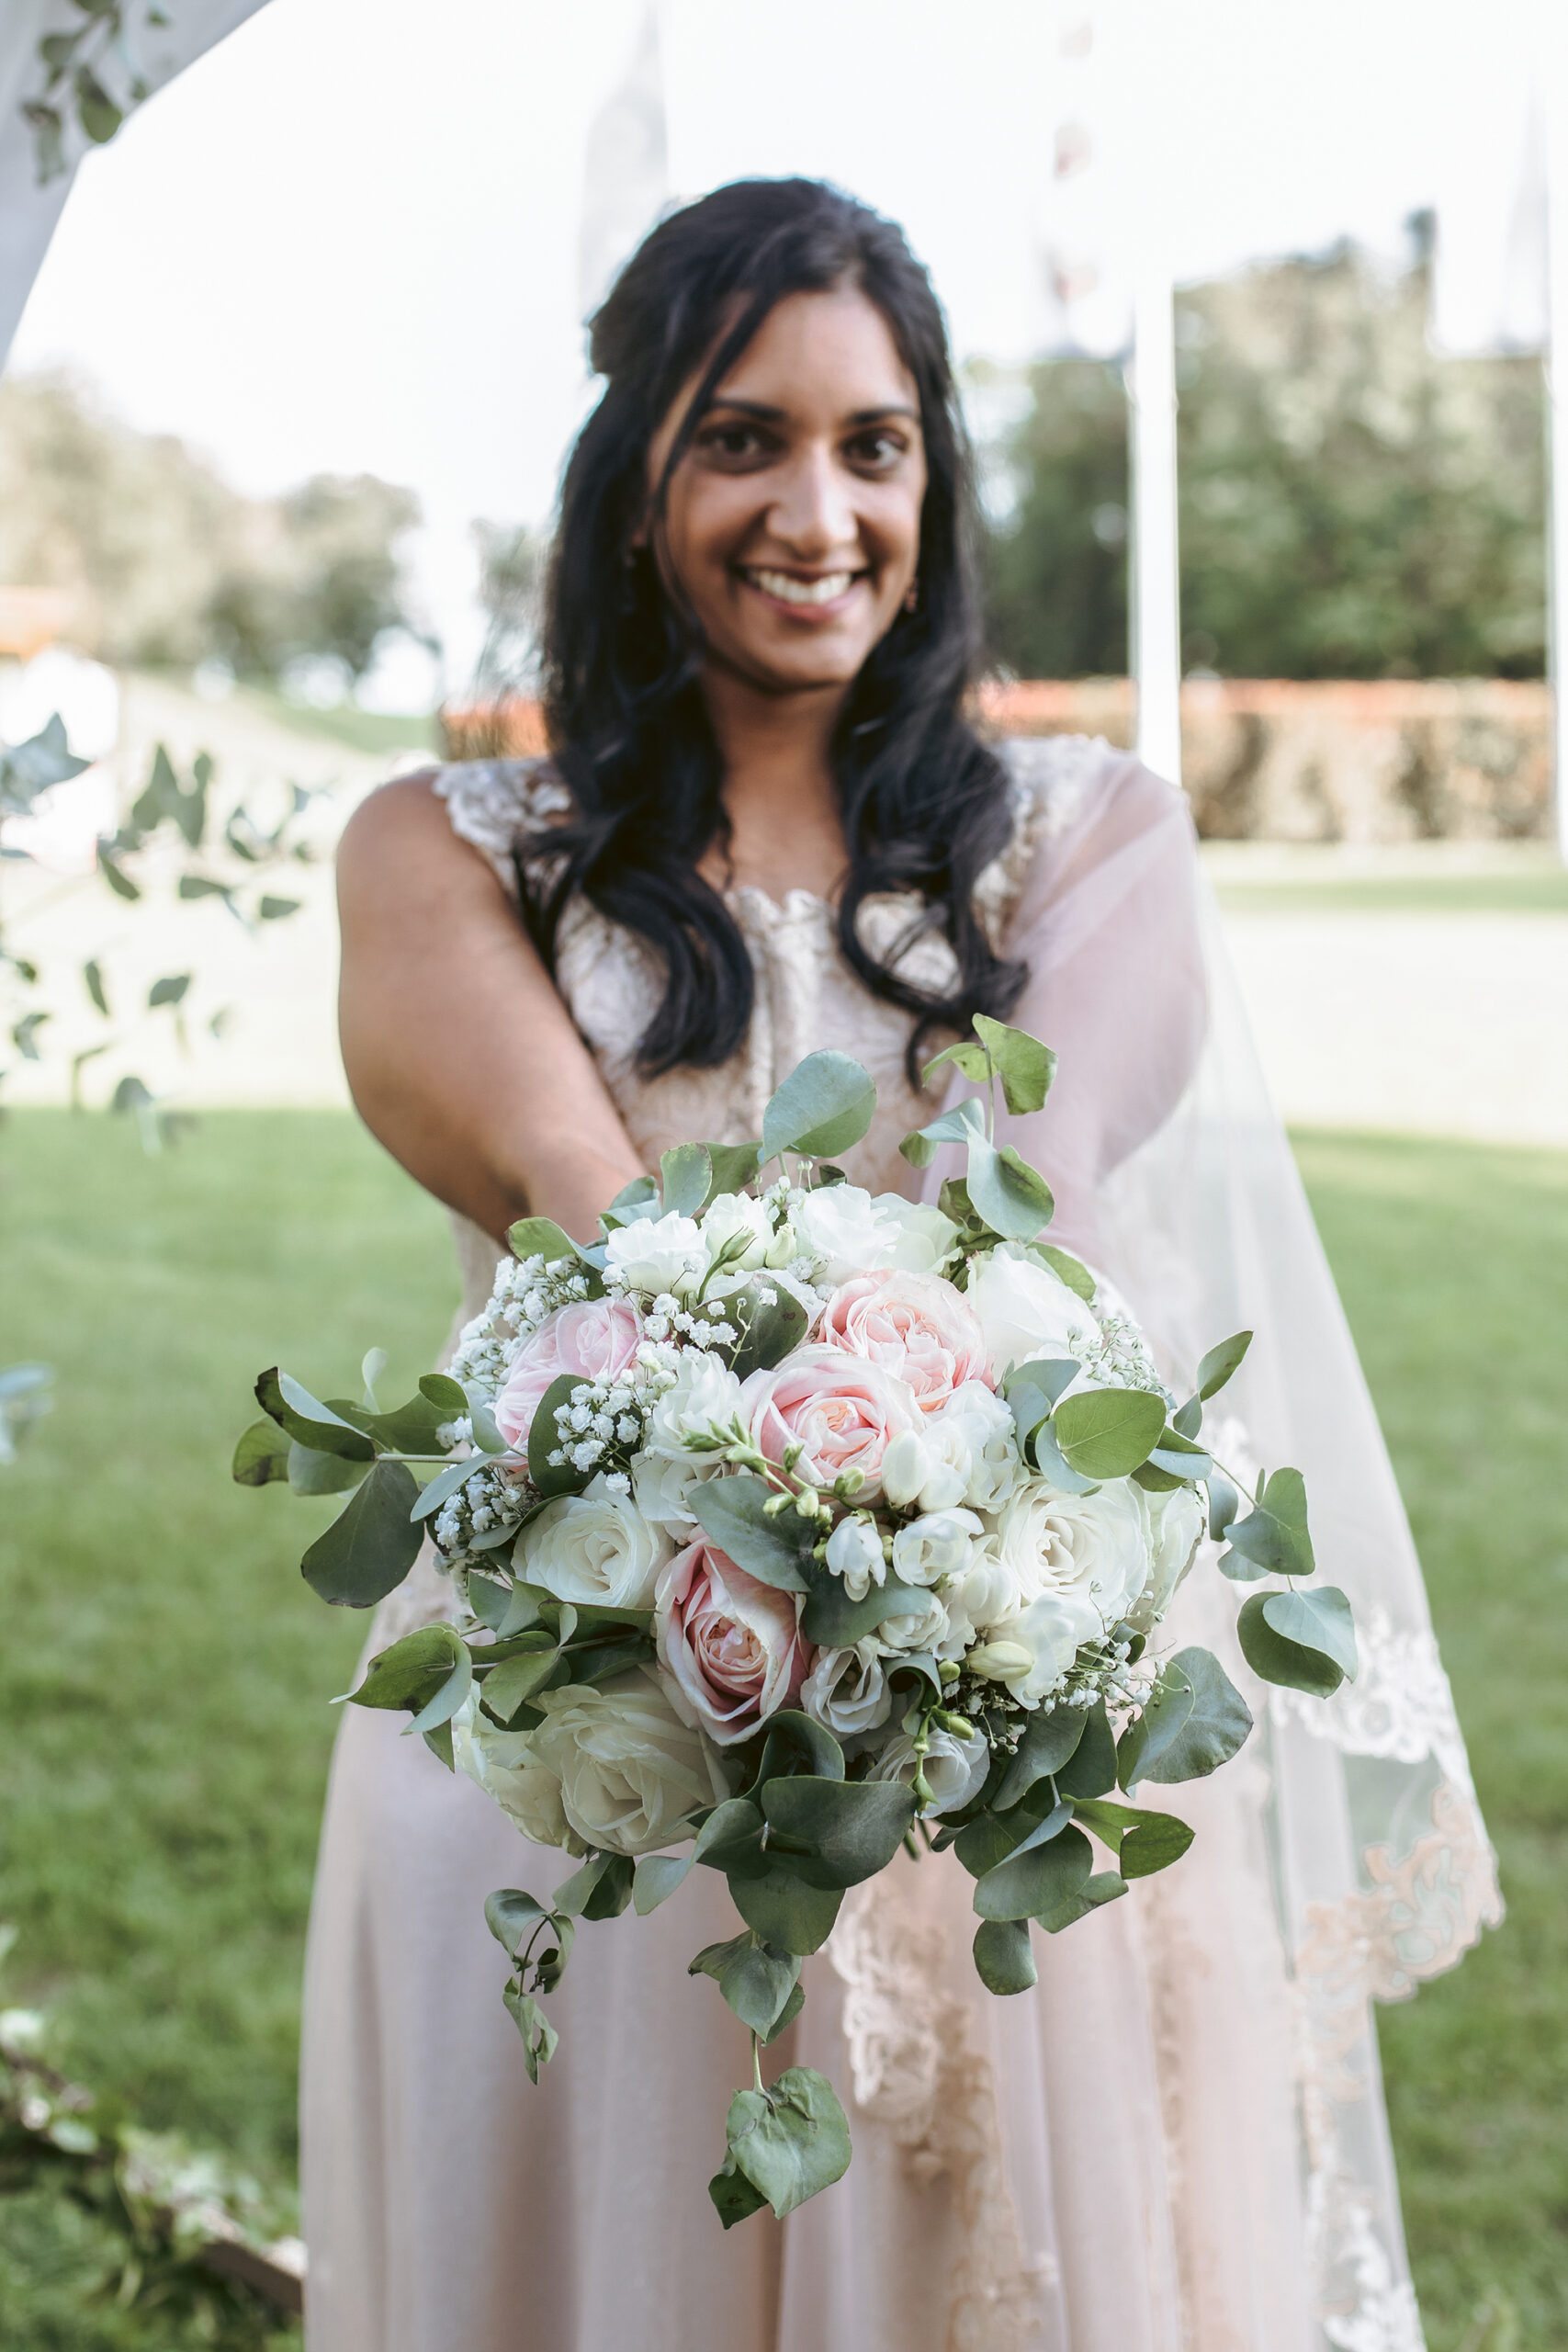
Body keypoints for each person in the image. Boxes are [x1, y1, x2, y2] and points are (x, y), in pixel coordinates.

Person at [304, 179, 1496, 2352]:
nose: (815, 506)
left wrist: (927, 1572)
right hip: (581, 1720)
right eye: (741, 435)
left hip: (987, 1715)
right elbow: (591, 1200)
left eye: (874, 444)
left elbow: (1005, 1193)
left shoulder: (1093, 833)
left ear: (932, 481)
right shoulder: (439, 849)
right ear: (632, 468)